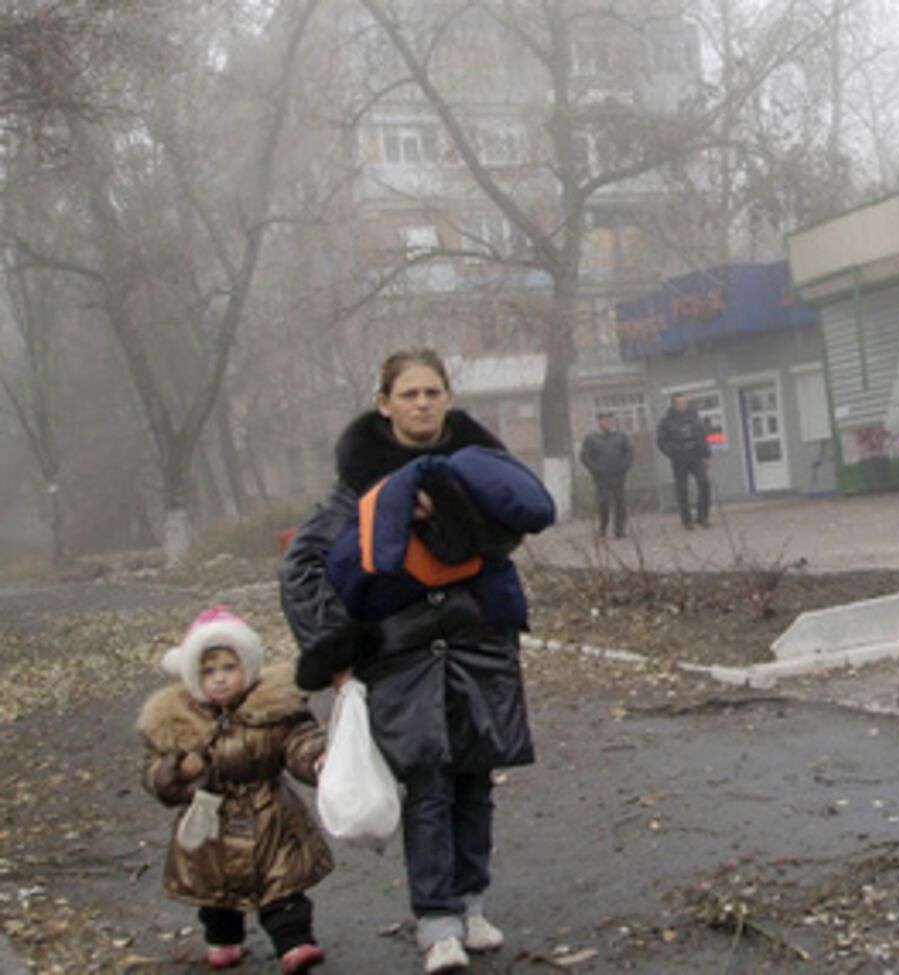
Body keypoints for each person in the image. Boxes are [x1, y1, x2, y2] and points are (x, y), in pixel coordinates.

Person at [279, 348, 549, 975]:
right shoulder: (356, 485)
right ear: (385, 404)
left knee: (476, 782)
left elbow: (514, 529)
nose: (422, 403)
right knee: (427, 786)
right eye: (408, 394)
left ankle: (472, 905)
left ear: (448, 398)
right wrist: (338, 652)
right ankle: (437, 923)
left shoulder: (481, 468)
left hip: (479, 648)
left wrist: (453, 513)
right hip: (401, 656)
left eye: (432, 392)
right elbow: (301, 567)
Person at [136, 606, 332, 974]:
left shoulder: (273, 710)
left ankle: (295, 941)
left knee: (283, 885)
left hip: (270, 814)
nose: (220, 679)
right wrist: (177, 770)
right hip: (210, 821)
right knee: (215, 892)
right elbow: (153, 774)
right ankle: (223, 939)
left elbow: (297, 741)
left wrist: (315, 757)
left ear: (248, 667)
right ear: (193, 677)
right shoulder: (177, 724)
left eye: (229, 667)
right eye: (208, 671)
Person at [656, 392, 711, 530]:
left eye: (685, 402)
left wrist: (707, 453)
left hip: (695, 455)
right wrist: (674, 453)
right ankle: (687, 520)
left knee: (704, 482)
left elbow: (701, 435)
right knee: (682, 489)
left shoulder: (693, 416)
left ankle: (702, 517)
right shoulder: (666, 422)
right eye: (680, 403)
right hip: (679, 458)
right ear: (674, 405)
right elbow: (662, 442)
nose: (683, 405)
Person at [579, 410, 634, 538]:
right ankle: (603, 527)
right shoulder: (591, 438)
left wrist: (624, 466)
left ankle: (620, 529)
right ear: (599, 422)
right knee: (603, 502)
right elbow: (585, 456)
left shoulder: (621, 436)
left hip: (618, 475)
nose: (607, 422)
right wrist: (595, 469)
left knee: (620, 503)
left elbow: (629, 452)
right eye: (604, 420)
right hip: (601, 477)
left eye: (610, 420)